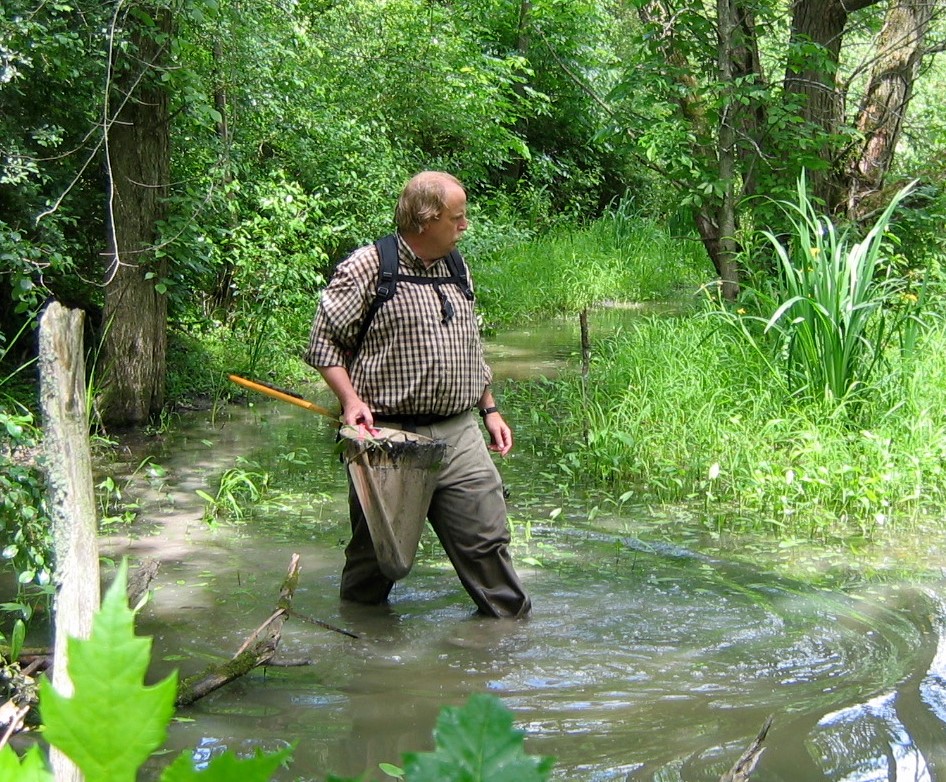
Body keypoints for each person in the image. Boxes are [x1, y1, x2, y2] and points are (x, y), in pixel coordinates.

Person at [304, 171, 531, 618]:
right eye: (457, 218)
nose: (464, 226)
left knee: (488, 543)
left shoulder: (456, 265)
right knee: (377, 560)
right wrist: (351, 401)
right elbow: (322, 343)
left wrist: (490, 408)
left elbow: (469, 344)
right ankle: (362, 649)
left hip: (459, 431)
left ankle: (508, 641)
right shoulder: (369, 267)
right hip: (388, 439)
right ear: (426, 219)